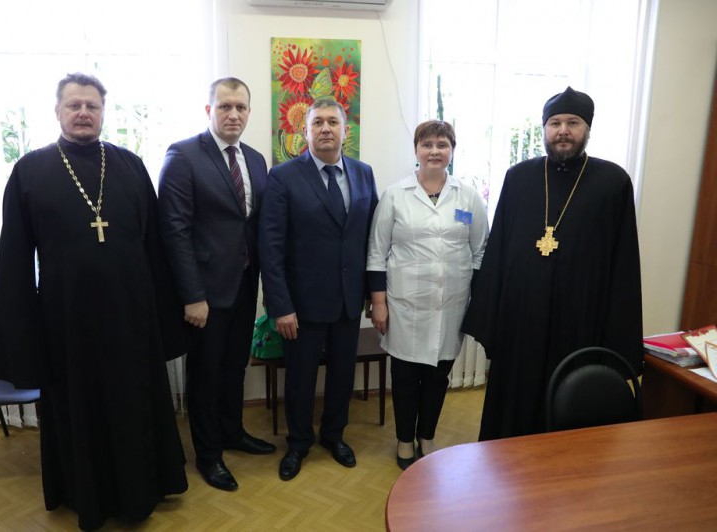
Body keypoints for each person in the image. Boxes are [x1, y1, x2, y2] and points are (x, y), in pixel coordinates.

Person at [0, 73, 188, 530]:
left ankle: (141, 490)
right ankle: (85, 495)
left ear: (102, 112)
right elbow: (14, 259)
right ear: (57, 111)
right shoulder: (29, 170)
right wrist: (22, 336)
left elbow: (156, 247)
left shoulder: (129, 165)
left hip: (131, 318)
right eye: (74, 105)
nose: (83, 113)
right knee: (79, 408)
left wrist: (164, 317)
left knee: (132, 403)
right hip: (66, 321)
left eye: (92, 106)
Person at [462, 86, 643, 441]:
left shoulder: (613, 182)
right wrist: (491, 315)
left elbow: (623, 265)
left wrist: (617, 333)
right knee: (514, 408)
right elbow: (498, 248)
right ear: (544, 128)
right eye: (555, 123)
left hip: (580, 322)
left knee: (570, 410)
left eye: (573, 123)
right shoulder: (519, 177)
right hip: (521, 321)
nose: (563, 130)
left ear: (587, 128)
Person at [157, 77, 275, 492]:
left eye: (241, 107)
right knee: (205, 374)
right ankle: (208, 455)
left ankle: (232, 432)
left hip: (244, 285)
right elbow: (174, 231)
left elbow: (254, 225)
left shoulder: (256, 160)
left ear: (249, 112)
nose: (233, 114)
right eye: (225, 106)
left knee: (234, 367)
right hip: (204, 294)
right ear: (209, 110)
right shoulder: (183, 155)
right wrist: (192, 296)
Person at [260, 98, 379, 481]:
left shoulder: (363, 173)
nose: (325, 128)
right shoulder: (283, 176)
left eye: (333, 122)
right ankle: (298, 443)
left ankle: (334, 435)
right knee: (300, 379)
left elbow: (372, 239)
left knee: (342, 375)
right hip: (302, 304)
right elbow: (271, 246)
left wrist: (374, 295)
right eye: (317, 123)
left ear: (346, 130)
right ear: (305, 130)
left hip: (348, 299)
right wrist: (280, 305)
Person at [367, 120, 488, 469]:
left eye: (442, 144)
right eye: (427, 144)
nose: (435, 151)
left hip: (451, 306)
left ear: (452, 150)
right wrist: (378, 303)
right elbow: (376, 252)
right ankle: (405, 440)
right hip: (404, 306)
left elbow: (480, 252)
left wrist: (475, 303)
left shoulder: (467, 196)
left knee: (437, 378)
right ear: (416, 150)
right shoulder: (395, 195)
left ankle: (428, 436)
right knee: (405, 378)